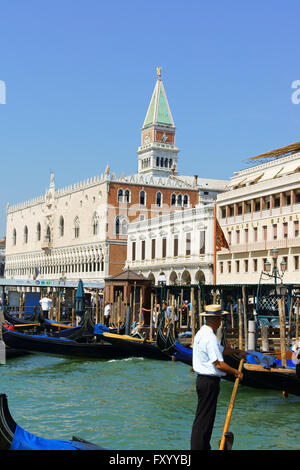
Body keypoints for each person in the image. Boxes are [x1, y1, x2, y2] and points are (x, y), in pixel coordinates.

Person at [190, 304, 246, 451]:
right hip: (209, 382)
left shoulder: (201, 333)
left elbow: (220, 350)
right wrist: (236, 372)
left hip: (202, 381)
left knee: (202, 418)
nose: (221, 320)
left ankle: (201, 447)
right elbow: (219, 364)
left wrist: (236, 351)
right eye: (220, 317)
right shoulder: (210, 337)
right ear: (216, 320)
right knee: (205, 420)